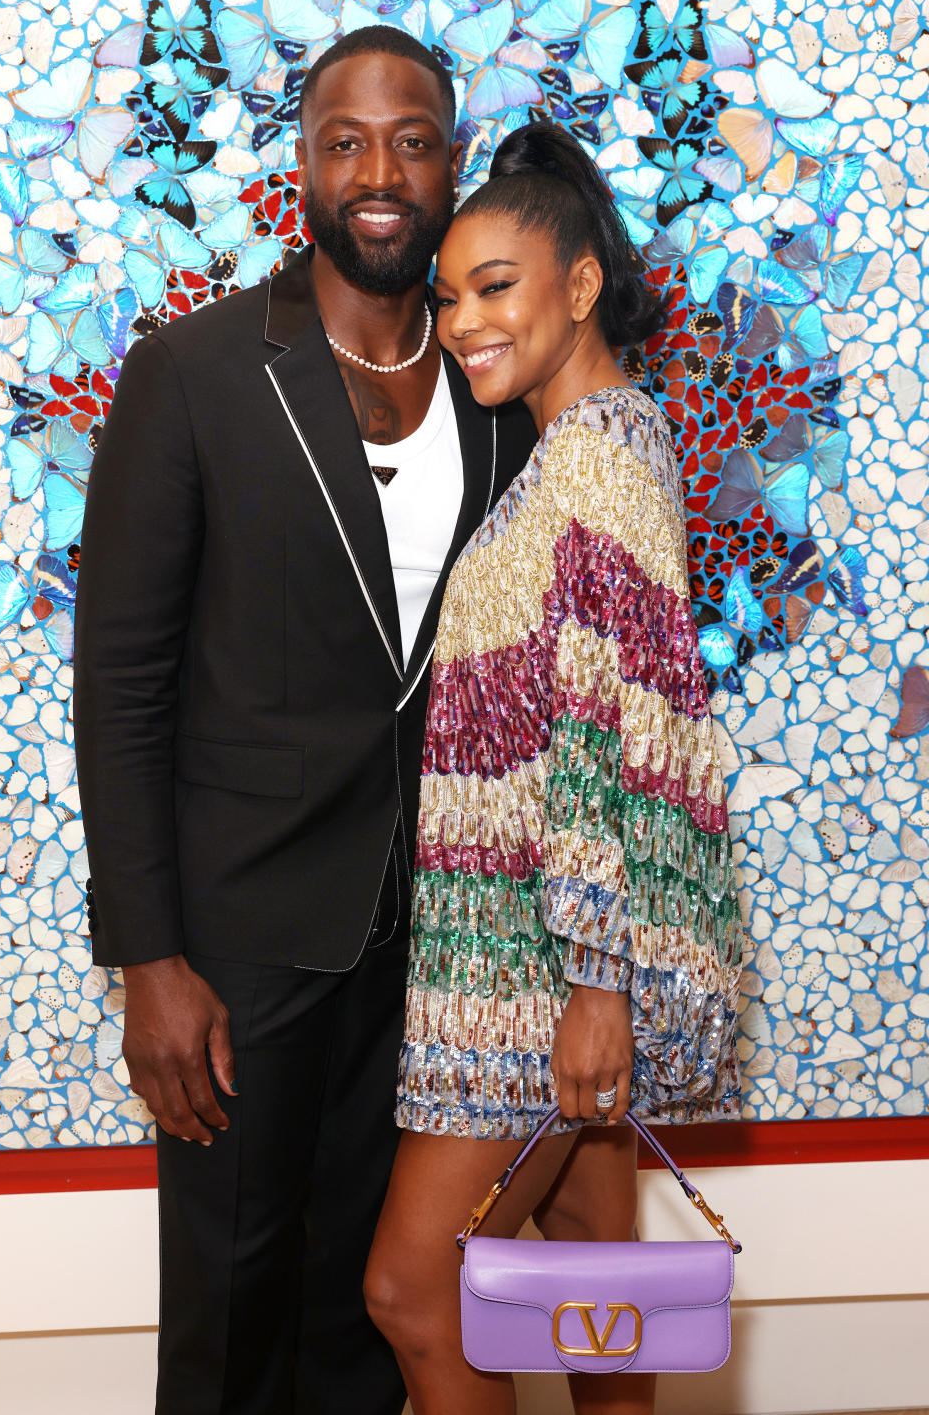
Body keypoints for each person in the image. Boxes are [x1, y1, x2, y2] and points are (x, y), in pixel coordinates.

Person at [72, 26, 537, 1415]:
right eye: (347, 141)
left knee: (362, 1320)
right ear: (304, 167)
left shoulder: (499, 393)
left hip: (425, 956)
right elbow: (123, 681)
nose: (378, 170)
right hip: (238, 951)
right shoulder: (196, 375)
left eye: (410, 140)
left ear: (451, 165)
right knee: (228, 1316)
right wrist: (149, 956)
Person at [364, 120, 744, 1415]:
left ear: (580, 286)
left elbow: (608, 737)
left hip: (535, 968)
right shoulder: (591, 448)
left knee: (415, 1296)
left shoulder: (592, 460)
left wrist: (595, 982)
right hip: (540, 952)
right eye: (451, 293)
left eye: (498, 285)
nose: (465, 319)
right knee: (594, 1286)